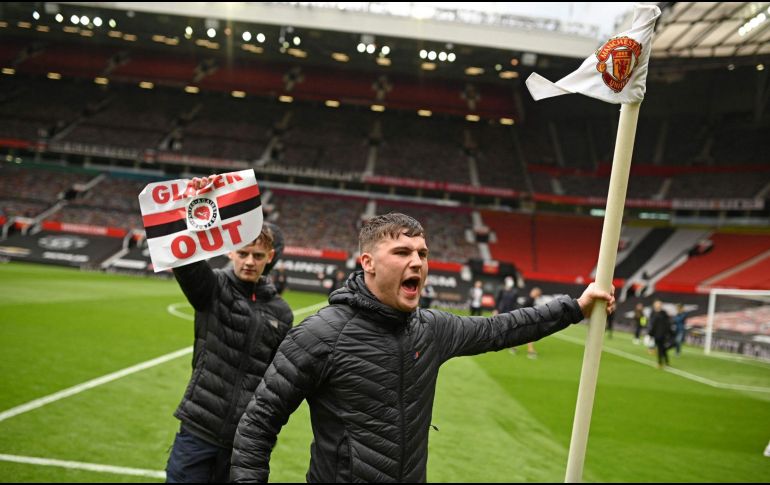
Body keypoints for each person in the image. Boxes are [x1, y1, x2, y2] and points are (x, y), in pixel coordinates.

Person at [230, 212, 615, 482]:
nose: (417, 262)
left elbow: (501, 328)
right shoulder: (320, 334)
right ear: (368, 262)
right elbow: (259, 422)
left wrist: (574, 308)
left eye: (423, 254)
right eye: (402, 253)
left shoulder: (431, 329)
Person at [164, 177, 294, 483]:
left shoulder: (282, 312)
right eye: (244, 253)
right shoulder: (214, 288)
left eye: (258, 256)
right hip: (199, 431)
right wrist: (191, 209)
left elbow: (280, 380)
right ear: (231, 252)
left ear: (269, 258)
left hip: (246, 441)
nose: (249, 261)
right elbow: (185, 260)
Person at [516, 287, 542, 358]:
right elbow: (524, 310)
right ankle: (530, 350)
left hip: (526, 319)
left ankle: (529, 349)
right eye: (536, 293)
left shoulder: (531, 299)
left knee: (526, 335)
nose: (537, 295)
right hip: (526, 320)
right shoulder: (530, 300)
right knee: (529, 335)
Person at [649, 300, 673, 369]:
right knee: (662, 348)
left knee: (660, 349)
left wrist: (651, 334)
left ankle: (660, 363)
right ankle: (666, 362)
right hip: (658, 334)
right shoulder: (655, 313)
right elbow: (653, 325)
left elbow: (667, 324)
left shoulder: (662, 314)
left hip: (661, 334)